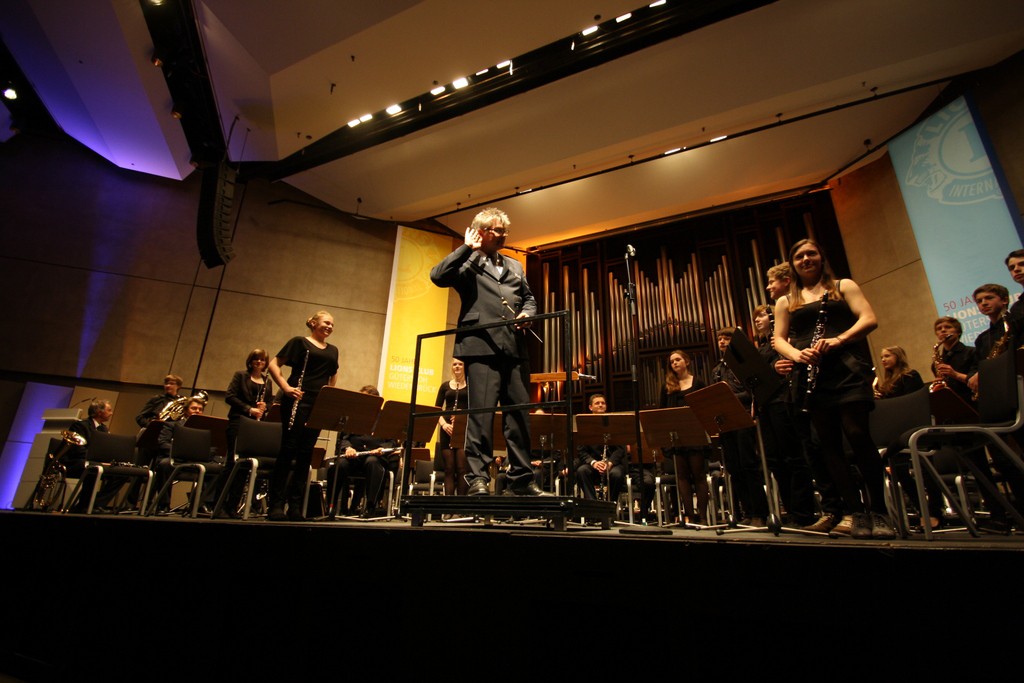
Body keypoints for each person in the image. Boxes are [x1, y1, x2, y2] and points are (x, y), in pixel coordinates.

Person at [773, 238, 894, 539]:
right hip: (811, 374)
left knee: (857, 434)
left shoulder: (843, 286)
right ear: (793, 264)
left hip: (846, 369)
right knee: (828, 445)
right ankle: (855, 513)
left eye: (811, 253)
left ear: (821, 257)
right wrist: (797, 355)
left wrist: (839, 340)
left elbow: (869, 318)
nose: (805, 259)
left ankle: (879, 511)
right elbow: (778, 339)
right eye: (799, 256)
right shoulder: (786, 300)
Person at [429, 207, 547, 497]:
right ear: (479, 232)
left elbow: (529, 299)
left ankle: (521, 479)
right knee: (481, 415)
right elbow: (437, 276)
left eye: (504, 231)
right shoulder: (466, 263)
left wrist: (527, 314)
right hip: (480, 346)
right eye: (495, 230)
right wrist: (466, 248)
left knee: (519, 415)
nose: (502, 235)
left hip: (514, 348)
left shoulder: (515, 265)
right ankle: (478, 478)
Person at [267, 311, 339, 521]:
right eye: (326, 323)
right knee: (289, 449)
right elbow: (274, 364)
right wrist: (286, 388)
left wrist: (327, 396)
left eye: (332, 325)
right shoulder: (299, 342)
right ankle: (276, 505)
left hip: (317, 404)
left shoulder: (333, 350)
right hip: (297, 399)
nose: (330, 327)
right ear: (314, 323)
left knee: (306, 453)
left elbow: (333, 374)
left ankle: (296, 506)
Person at [752, 304, 817, 527]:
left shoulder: (787, 340)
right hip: (766, 404)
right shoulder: (761, 348)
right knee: (774, 460)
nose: (757, 319)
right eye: (755, 317)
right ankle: (791, 509)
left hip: (784, 400)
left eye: (761, 315)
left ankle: (803, 511)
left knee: (793, 457)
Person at [712, 327, 767, 526]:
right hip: (726, 422)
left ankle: (760, 513)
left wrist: (727, 398)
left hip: (743, 417)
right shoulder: (717, 370)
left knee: (748, 465)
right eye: (719, 339)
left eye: (726, 338)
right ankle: (747, 511)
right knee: (734, 468)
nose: (722, 341)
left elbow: (751, 392)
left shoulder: (742, 365)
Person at [218, 349, 274, 517]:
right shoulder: (240, 375)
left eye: (263, 360)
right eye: (256, 359)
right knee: (232, 464)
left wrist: (265, 408)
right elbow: (230, 396)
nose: (259, 362)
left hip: (255, 426)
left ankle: (232, 506)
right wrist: (250, 409)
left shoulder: (267, 381)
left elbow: (270, 401)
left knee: (244, 466)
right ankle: (218, 504)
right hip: (238, 422)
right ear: (250, 361)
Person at [327, 386, 397, 518]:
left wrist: (381, 448)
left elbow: (392, 442)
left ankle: (371, 507)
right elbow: (343, 438)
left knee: (372, 463)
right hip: (354, 457)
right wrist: (348, 448)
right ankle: (331, 506)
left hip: (375, 457)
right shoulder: (353, 415)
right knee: (339, 465)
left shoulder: (384, 417)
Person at [659, 349, 709, 525]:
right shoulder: (667, 387)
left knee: (699, 476)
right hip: (676, 438)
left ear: (686, 361)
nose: (674, 363)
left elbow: (705, 409)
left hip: (695, 436)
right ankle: (690, 517)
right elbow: (663, 414)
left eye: (677, 360)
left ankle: (703, 517)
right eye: (672, 362)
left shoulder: (699, 382)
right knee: (682, 477)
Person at [575, 394, 627, 504]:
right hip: (594, 465)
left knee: (617, 474)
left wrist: (610, 463)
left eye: (603, 403)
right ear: (590, 407)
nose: (600, 405)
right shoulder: (585, 425)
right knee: (581, 471)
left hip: (612, 465)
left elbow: (621, 449)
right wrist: (593, 463)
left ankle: (609, 507)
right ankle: (594, 506)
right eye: (597, 403)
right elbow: (581, 450)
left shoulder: (614, 423)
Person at [434, 358, 469, 496]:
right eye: (454, 364)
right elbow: (436, 409)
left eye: (460, 364)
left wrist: (463, 416)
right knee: (448, 469)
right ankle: (447, 508)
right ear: (451, 367)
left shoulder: (470, 386)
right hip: (446, 429)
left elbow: (475, 409)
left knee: (462, 469)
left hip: (462, 429)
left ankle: (459, 507)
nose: (457, 366)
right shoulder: (445, 386)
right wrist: (444, 424)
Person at [930, 316, 977, 407]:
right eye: (939, 329)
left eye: (948, 327)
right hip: (951, 404)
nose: (943, 330)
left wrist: (955, 374)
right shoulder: (936, 363)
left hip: (972, 402)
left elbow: (978, 382)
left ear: (958, 332)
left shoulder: (972, 352)